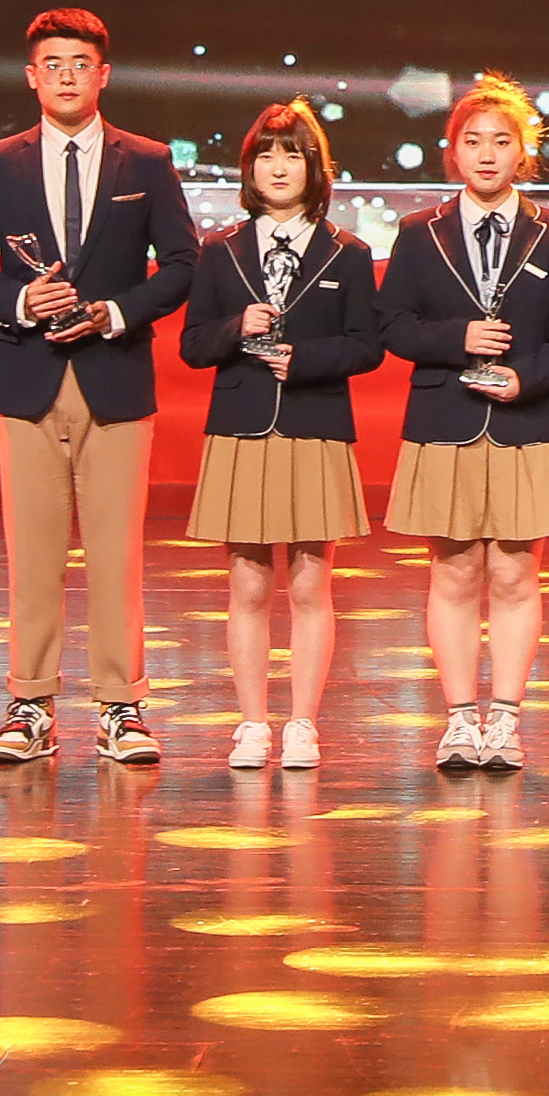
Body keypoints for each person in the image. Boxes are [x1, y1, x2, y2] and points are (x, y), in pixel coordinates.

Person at [0, 7, 199, 769]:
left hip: (115, 379)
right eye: (51, 63)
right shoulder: (0, 162)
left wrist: (116, 312)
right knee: (33, 554)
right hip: (27, 379)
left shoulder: (145, 161)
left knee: (117, 555)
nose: (65, 75)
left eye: (79, 63)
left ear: (102, 74)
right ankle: (31, 703)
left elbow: (182, 263)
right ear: (31, 76)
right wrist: (22, 301)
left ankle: (122, 706)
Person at [378, 75, 549, 775]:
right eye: (472, 141)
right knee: (452, 571)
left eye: (501, 141)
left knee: (514, 573)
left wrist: (526, 377)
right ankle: (458, 718)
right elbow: (392, 325)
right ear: (453, 151)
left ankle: (504, 718)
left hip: (525, 421)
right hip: (444, 419)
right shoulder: (420, 233)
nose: (486, 153)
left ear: (523, 152)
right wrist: (459, 338)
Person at [179, 100, 380, 771]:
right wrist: (236, 326)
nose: (279, 166)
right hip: (241, 428)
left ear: (314, 166)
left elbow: (367, 345)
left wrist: (307, 359)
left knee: (311, 585)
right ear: (249, 168)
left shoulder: (347, 252)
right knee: (246, 585)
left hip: (314, 425)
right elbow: (192, 345)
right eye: (266, 154)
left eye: (292, 153)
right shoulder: (220, 251)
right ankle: (252, 723)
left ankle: (302, 724)